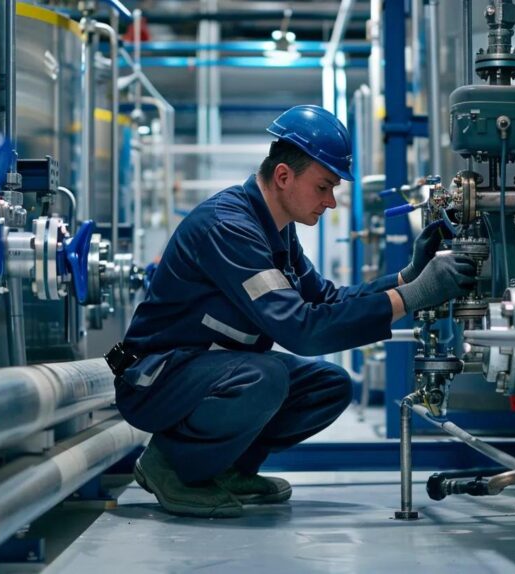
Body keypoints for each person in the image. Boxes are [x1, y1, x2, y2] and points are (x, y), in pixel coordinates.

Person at [105, 105, 478, 518]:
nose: (331, 202)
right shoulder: (229, 227)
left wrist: (408, 278)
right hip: (157, 379)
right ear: (283, 176)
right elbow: (303, 330)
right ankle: (170, 464)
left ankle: (226, 468)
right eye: (323, 187)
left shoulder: (278, 231)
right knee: (265, 377)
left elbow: (324, 299)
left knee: (329, 385)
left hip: (206, 369)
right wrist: (413, 299)